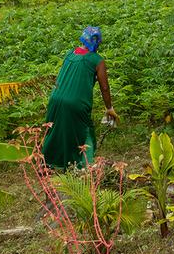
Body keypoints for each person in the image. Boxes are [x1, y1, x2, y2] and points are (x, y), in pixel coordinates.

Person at [42, 26, 120, 169]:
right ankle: (83, 165)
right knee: (85, 132)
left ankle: (47, 165)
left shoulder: (70, 54)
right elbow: (104, 87)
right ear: (96, 43)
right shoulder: (97, 60)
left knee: (55, 132)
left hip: (55, 99)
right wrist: (109, 108)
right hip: (76, 103)